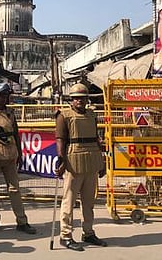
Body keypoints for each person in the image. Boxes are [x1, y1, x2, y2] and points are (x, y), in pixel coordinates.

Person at [0, 83, 36, 234]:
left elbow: (16, 134)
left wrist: (20, 154)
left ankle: (22, 221)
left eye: (6, 96)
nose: (4, 99)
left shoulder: (10, 113)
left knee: (15, 189)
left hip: (10, 155)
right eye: (1, 97)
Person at [55, 83, 107, 252]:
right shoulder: (64, 115)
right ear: (71, 99)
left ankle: (88, 232)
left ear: (87, 99)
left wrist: (102, 162)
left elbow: (96, 138)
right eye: (76, 98)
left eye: (82, 98)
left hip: (91, 159)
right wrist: (61, 159)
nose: (79, 101)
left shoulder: (92, 115)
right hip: (73, 161)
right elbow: (60, 139)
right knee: (69, 201)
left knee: (89, 202)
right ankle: (65, 235)